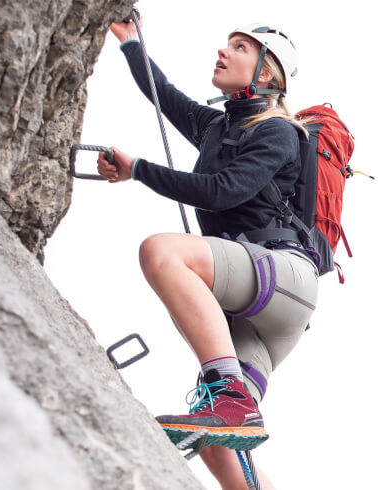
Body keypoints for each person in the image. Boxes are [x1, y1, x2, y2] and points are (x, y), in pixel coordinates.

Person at [100, 20, 320, 490]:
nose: (224, 51)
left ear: (265, 74)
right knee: (217, 438)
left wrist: (138, 169)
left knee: (162, 252)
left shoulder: (278, 131)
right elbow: (162, 93)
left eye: (240, 48)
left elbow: (222, 192)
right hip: (262, 310)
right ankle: (233, 410)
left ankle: (230, 395)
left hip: (282, 277)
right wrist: (129, 39)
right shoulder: (217, 126)